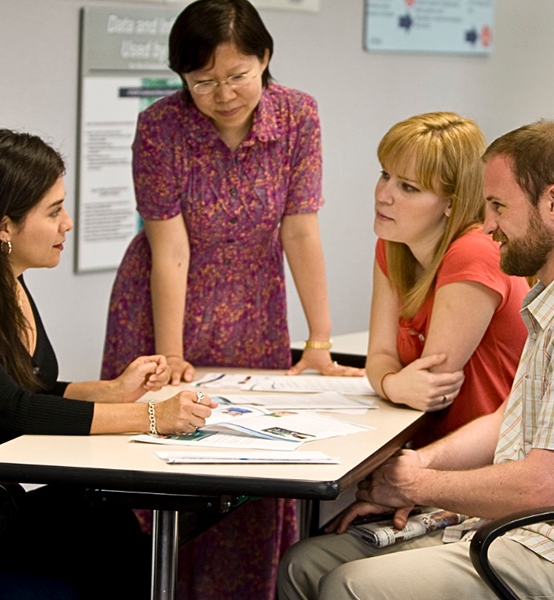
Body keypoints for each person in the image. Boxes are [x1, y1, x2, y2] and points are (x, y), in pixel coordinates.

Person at [278, 119, 554, 600]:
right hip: (526, 529)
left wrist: (420, 487)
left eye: (498, 206)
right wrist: (417, 466)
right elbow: (507, 421)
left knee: (350, 587)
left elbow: (541, 487)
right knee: (305, 565)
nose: (489, 224)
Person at [0, 129, 213, 599]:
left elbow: (30, 385)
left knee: (107, 516)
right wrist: (154, 416)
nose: (68, 224)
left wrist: (111, 391)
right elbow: (13, 409)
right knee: (106, 534)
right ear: (4, 227)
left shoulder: (5, 277)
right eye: (54, 211)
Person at [100, 1, 357, 597]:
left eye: (237, 75)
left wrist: (319, 341)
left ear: (264, 58)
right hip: (162, 299)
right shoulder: (160, 127)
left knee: (250, 465)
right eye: (203, 82)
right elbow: (171, 250)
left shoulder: (297, 115)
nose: (223, 94)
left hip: (254, 303)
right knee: (162, 464)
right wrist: (170, 359)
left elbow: (300, 230)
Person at [366, 112, 528, 446]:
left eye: (408, 187)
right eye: (385, 175)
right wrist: (391, 384)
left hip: (489, 458)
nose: (384, 194)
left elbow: (432, 386)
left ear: (451, 205)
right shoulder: (392, 245)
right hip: (429, 448)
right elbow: (379, 357)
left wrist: (389, 380)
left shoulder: (474, 251)